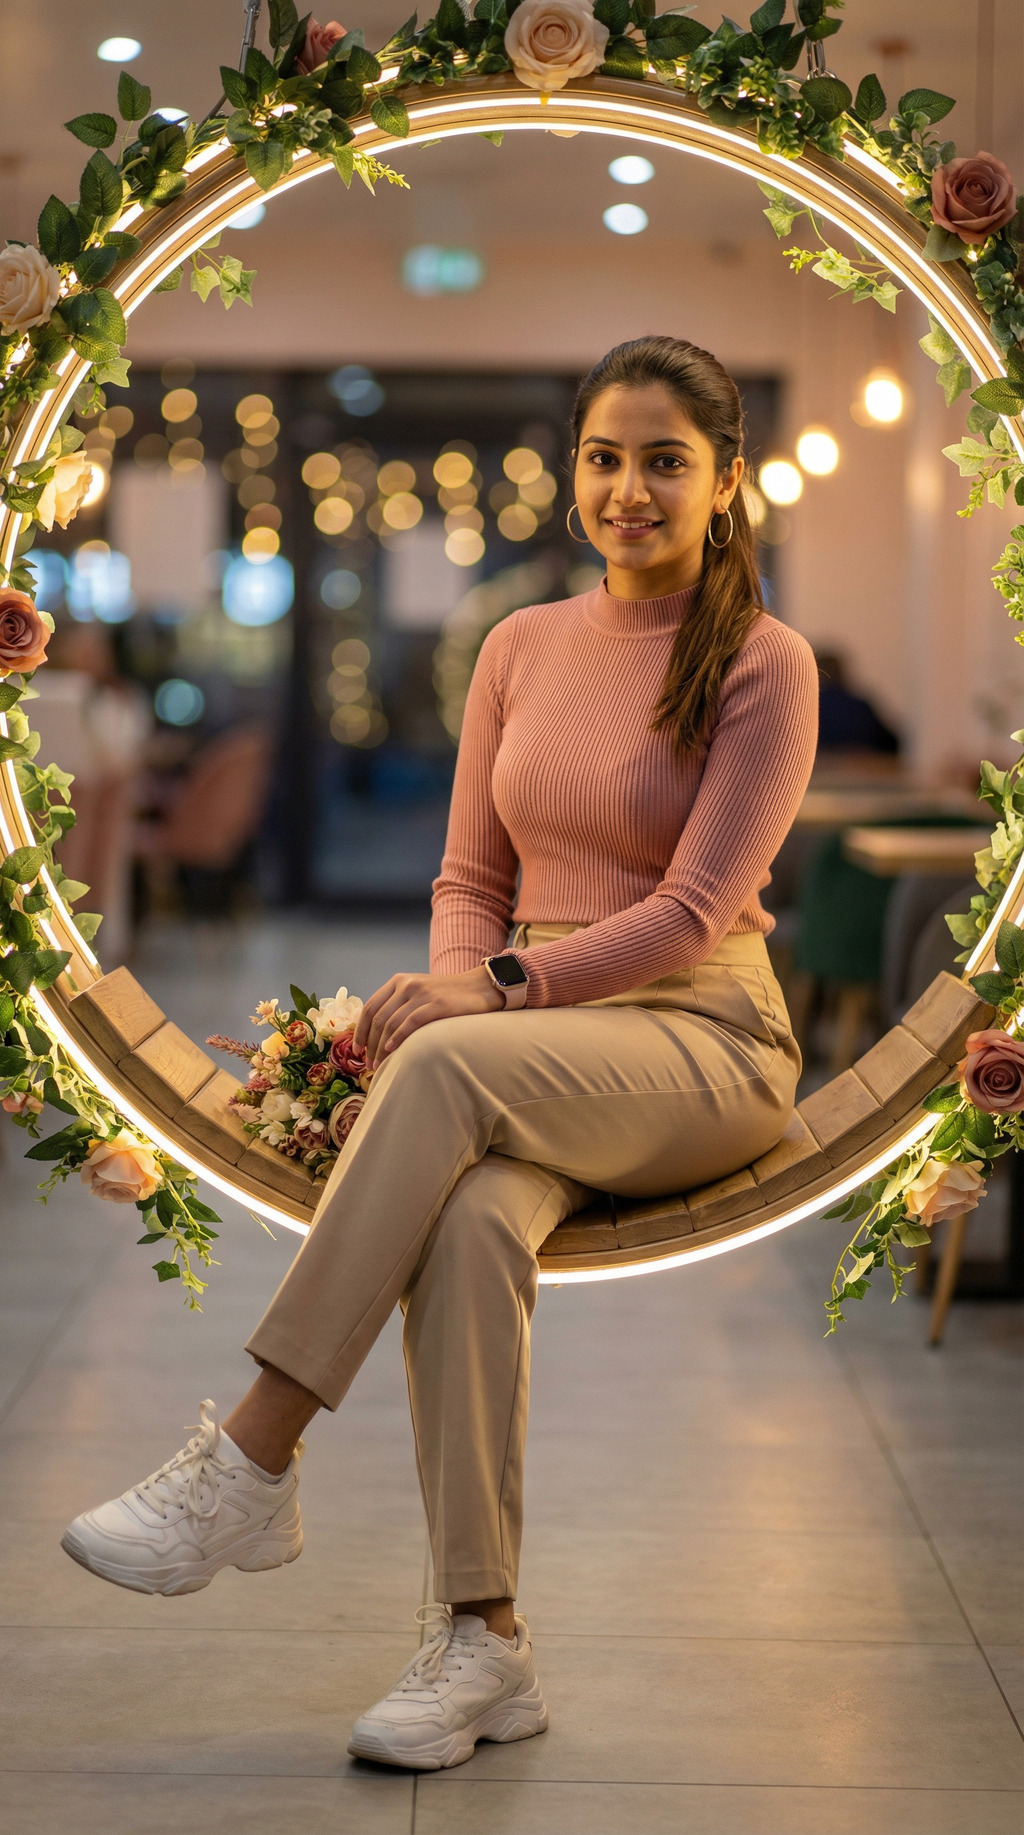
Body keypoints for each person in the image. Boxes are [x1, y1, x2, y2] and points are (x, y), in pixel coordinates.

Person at [60, 336, 818, 1772]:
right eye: (605, 456)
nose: (629, 489)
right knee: (468, 1225)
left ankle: (255, 1453)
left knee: (450, 1065)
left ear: (726, 483)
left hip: (706, 1039)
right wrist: (473, 971)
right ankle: (486, 1643)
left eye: (666, 460)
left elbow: (695, 909)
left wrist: (497, 993)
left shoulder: (767, 664)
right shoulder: (519, 645)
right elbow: (468, 874)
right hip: (543, 1039)